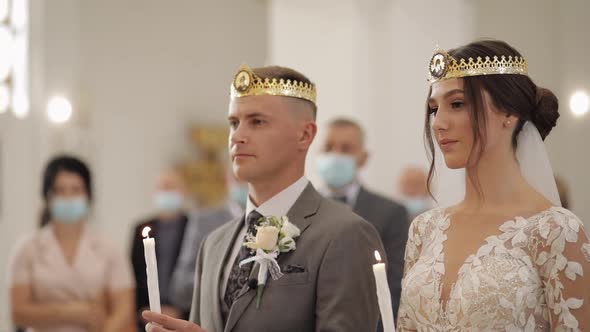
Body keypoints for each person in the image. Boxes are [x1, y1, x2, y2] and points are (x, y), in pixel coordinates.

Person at [142, 64, 384, 332]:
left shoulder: (345, 235)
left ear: (304, 135)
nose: (238, 136)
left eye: (257, 122)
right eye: (234, 123)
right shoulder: (213, 243)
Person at [397, 40, 590, 330]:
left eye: (457, 104)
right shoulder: (425, 229)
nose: (438, 123)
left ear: (510, 113)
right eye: (434, 109)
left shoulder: (555, 231)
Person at [8, 155, 134, 332]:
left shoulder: (109, 249)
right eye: (60, 190)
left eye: (76, 190)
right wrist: (72, 312)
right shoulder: (27, 248)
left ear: (88, 195)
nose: (68, 197)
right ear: (48, 197)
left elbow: (123, 309)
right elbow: (18, 312)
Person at [316, 117, 409, 325]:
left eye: (346, 148)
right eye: (329, 147)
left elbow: (394, 286)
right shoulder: (298, 209)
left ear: (363, 158)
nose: (336, 155)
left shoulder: (391, 213)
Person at [169, 170, 247, 314]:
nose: (245, 184)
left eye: (249, 179)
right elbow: (180, 285)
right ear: (227, 181)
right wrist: (221, 278)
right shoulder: (204, 221)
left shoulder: (276, 220)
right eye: (239, 179)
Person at [130, 167, 191, 329]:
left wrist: (180, 311)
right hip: (146, 312)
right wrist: (142, 310)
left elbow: (197, 274)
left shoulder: (192, 227)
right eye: (163, 188)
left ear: (183, 191)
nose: (167, 192)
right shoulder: (141, 228)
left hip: (183, 314)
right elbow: (134, 272)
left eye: (171, 187)